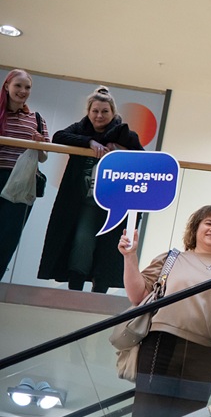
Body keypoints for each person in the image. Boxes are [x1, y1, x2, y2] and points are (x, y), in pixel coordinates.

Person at [118, 204, 211, 417]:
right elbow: (138, 296)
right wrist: (130, 257)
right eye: (208, 223)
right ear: (195, 229)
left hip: (205, 353)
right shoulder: (172, 259)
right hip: (160, 344)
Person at [38, 87, 144, 292]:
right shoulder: (80, 129)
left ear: (113, 112)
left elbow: (143, 158)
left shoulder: (126, 135)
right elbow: (59, 136)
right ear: (88, 111)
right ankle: (75, 289)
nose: (99, 115)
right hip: (85, 199)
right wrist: (89, 141)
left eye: (105, 111)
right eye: (95, 110)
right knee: (82, 241)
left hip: (115, 203)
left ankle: (99, 290)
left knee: (109, 246)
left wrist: (121, 151)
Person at [0, 69, 50, 277]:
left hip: (21, 181)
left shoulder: (36, 119)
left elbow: (44, 157)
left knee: (7, 238)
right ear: (7, 86)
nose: (22, 91)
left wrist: (38, 144)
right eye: (18, 86)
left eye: (27, 87)